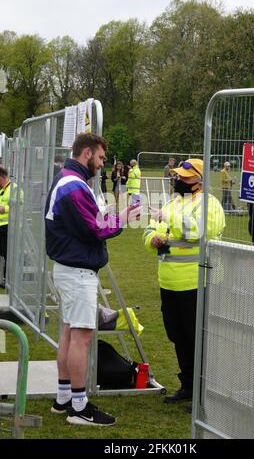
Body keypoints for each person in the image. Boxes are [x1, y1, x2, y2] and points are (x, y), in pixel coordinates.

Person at [45, 132, 140, 426]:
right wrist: (123, 218)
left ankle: (64, 399)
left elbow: (87, 223)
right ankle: (78, 405)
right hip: (77, 273)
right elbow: (95, 229)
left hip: (68, 269)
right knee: (81, 338)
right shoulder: (73, 185)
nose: (102, 164)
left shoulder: (66, 179)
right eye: (100, 158)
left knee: (69, 334)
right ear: (86, 153)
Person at [143, 159, 225, 403]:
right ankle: (188, 386)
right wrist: (154, 239)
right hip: (169, 282)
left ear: (200, 180)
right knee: (177, 336)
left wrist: (167, 220)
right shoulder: (172, 203)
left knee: (196, 338)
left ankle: (204, 393)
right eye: (178, 176)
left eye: (185, 178)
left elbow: (197, 231)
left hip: (196, 282)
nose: (179, 181)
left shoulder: (210, 204)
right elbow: (149, 231)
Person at [0, 166, 11, 288]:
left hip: (9, 227)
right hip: (1, 226)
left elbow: (20, 206)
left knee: (8, 254)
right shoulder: (1, 189)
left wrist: (5, 209)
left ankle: (6, 279)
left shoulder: (14, 189)